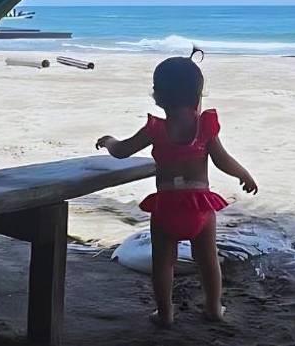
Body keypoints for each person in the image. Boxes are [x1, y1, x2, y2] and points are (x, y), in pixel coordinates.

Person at [96, 55, 258, 326]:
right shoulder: (205, 127)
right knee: (208, 261)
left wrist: (109, 140)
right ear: (198, 96)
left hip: (167, 206)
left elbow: (122, 151)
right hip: (199, 205)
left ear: (158, 97)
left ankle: (165, 313)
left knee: (163, 263)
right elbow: (222, 159)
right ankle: (214, 308)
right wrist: (244, 174)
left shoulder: (155, 129)